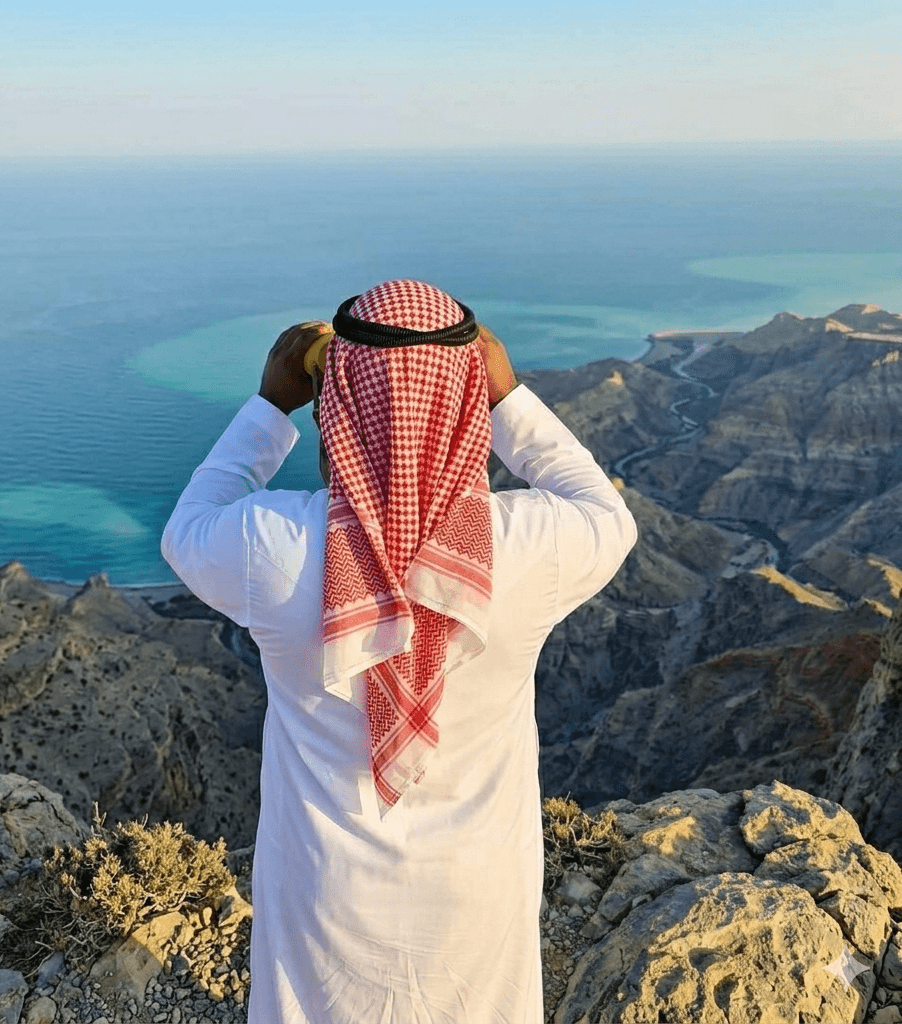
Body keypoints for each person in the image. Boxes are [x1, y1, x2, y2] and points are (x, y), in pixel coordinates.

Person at [160, 279, 638, 1024]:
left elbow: (188, 526)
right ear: (464, 399)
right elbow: (606, 512)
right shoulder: (526, 547)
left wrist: (269, 405)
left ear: (336, 404)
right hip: (478, 892)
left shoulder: (274, 547)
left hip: (323, 894)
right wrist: (507, 399)